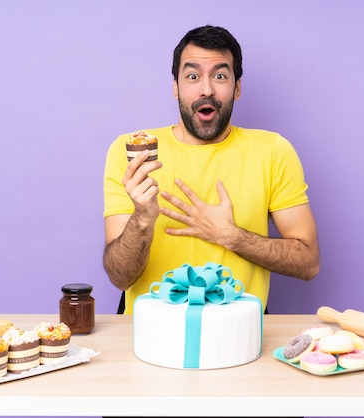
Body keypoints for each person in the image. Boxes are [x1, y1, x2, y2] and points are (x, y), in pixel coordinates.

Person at [103, 25, 320, 314]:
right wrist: (142, 219)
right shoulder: (131, 152)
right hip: (150, 331)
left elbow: (309, 262)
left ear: (237, 88)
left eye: (220, 76)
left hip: (240, 332)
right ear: (176, 87)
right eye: (192, 76)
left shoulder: (272, 151)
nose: (206, 89)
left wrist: (231, 236)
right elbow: (120, 277)